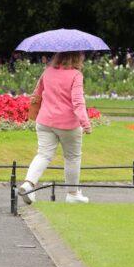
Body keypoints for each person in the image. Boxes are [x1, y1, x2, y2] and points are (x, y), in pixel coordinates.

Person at [19, 51, 92, 204]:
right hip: (68, 125)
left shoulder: (47, 71)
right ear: (77, 57)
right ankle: (73, 194)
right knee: (72, 158)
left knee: (43, 155)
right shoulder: (75, 75)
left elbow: (37, 94)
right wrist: (86, 123)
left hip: (45, 121)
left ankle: (28, 185)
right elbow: (78, 102)